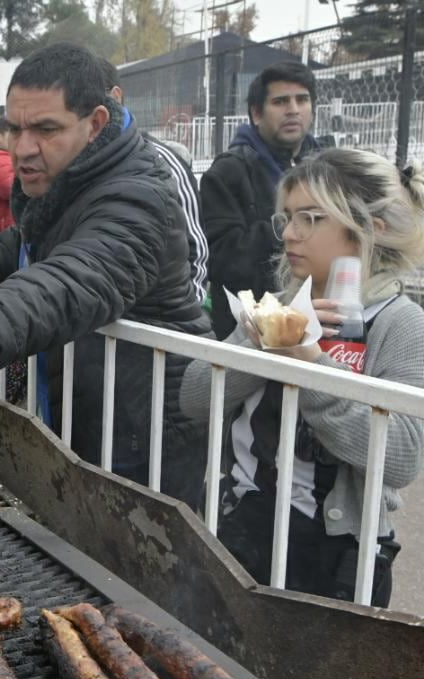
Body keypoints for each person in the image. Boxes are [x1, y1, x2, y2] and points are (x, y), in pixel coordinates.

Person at [0, 42, 211, 507]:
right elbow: (24, 244)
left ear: (95, 124)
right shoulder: (73, 177)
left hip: (143, 431)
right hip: (92, 408)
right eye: (14, 129)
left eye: (45, 129)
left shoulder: (139, 196)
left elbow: (71, 278)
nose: (23, 149)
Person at [181, 150, 424, 607]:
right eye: (288, 218)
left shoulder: (401, 324)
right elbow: (195, 400)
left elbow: (402, 458)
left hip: (334, 558)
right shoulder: (278, 305)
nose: (290, 234)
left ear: (371, 229)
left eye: (311, 218)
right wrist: (259, 342)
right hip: (239, 530)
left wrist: (309, 365)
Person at [202, 61, 320, 338]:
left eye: (302, 100)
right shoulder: (228, 172)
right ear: (256, 113)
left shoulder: (327, 169)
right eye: (280, 101)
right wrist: (290, 225)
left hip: (318, 321)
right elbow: (224, 263)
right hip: (249, 333)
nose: (293, 109)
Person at [101, 59, 209, 306]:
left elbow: (196, 254)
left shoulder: (163, 161)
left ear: (115, 97)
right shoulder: (70, 165)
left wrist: (182, 320)